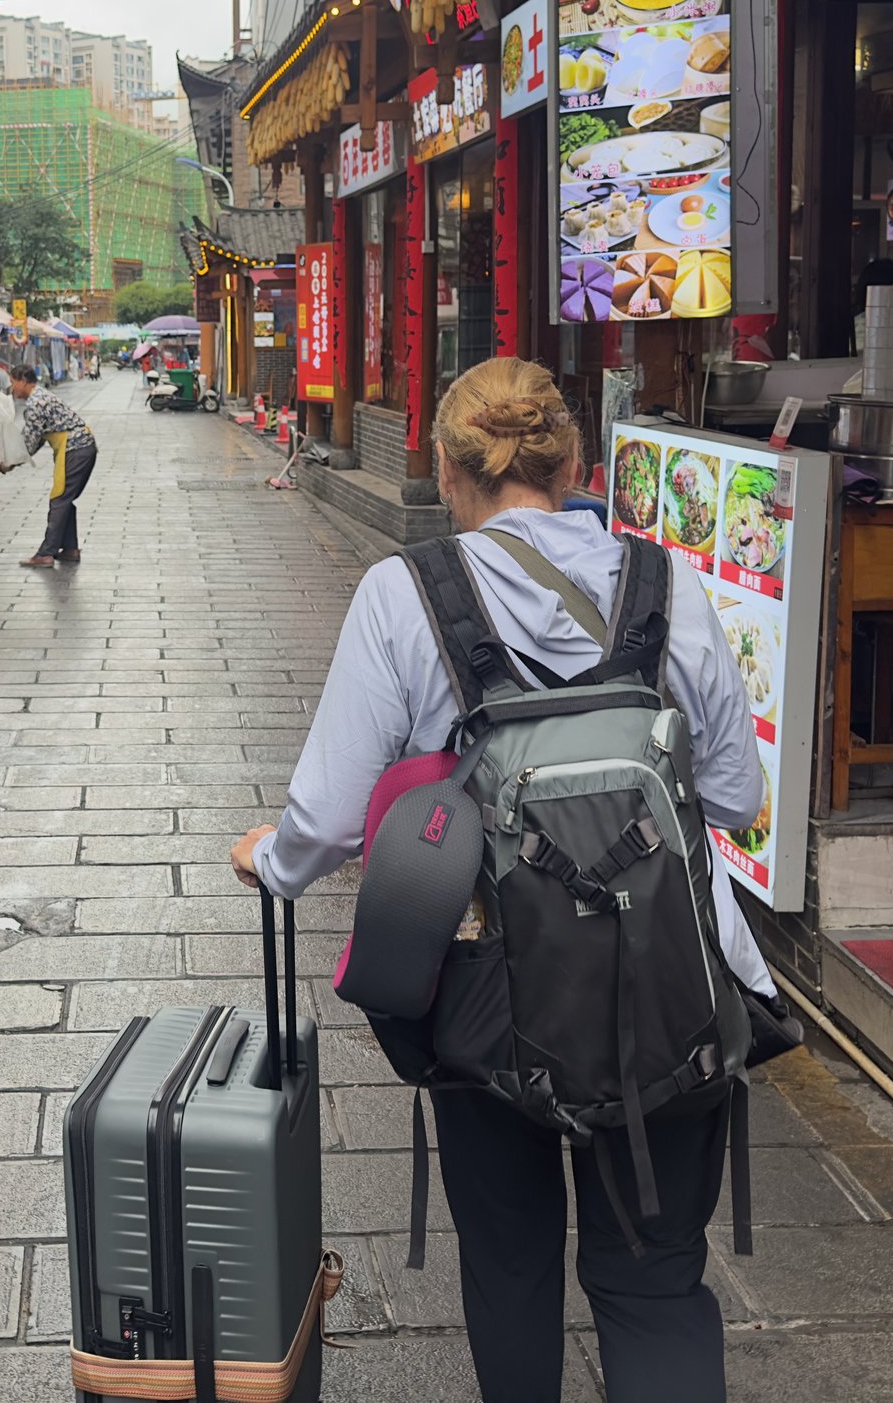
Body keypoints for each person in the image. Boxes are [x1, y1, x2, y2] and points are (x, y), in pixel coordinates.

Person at [227, 357, 774, 1403]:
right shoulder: (667, 586)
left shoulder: (406, 593)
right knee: (654, 1282)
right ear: (576, 464)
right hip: (667, 991)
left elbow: (335, 817)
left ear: (442, 468)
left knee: (512, 1268)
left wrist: (273, 860)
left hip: (491, 1002)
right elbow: (737, 797)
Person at [0, 362, 96, 569]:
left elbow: (30, 441)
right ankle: (70, 549)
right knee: (64, 498)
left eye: (14, 383)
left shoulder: (35, 403)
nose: (12, 389)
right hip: (82, 447)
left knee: (59, 498)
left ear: (24, 381)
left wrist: (9, 463)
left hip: (75, 449)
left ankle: (46, 553)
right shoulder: (42, 396)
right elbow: (38, 439)